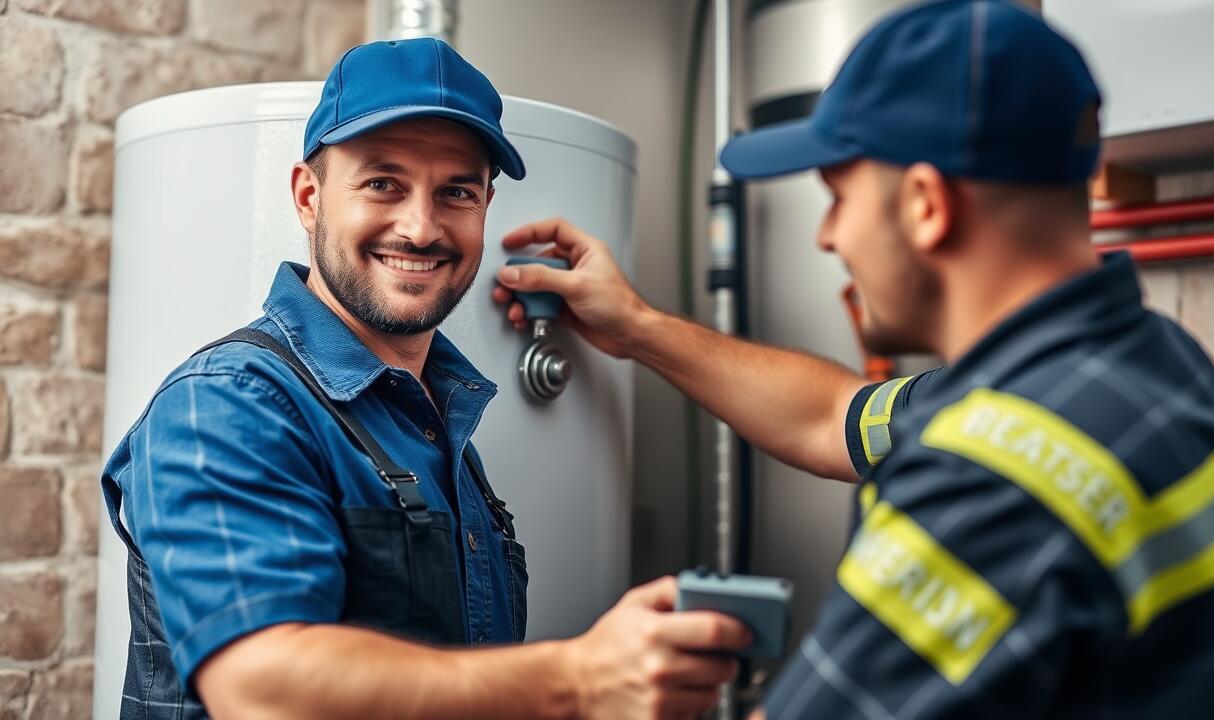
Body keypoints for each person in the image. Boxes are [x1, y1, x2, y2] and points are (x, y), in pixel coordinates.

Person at [494, 1, 1214, 717]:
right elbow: (828, 415)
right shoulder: (1153, 362)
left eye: (838, 196)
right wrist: (634, 326)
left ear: (927, 207)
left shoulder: (986, 484)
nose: (827, 236)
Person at [102, 37, 747, 720]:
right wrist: (580, 678)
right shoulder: (228, 402)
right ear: (309, 196)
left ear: (485, 207)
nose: (420, 227)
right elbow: (262, 689)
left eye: (456, 192)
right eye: (383, 183)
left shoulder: (439, 425)